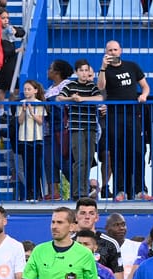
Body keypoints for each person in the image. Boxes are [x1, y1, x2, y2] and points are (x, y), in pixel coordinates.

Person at [98, 40, 151, 200]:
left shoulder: (132, 66)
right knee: (117, 153)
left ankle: (140, 189)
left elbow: (145, 86)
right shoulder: (105, 70)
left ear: (120, 50)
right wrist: (102, 67)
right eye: (110, 50)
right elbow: (101, 87)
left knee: (137, 151)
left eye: (115, 49)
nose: (113, 52)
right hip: (114, 116)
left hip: (132, 116)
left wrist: (143, 96)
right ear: (106, 52)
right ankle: (120, 190)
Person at [56, 59, 102, 201]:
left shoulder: (92, 86)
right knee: (79, 159)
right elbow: (59, 98)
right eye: (81, 70)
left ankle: (85, 190)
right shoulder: (71, 85)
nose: (84, 73)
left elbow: (100, 97)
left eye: (86, 70)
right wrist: (72, 98)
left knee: (88, 159)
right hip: (76, 127)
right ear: (76, 72)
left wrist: (82, 99)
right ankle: (78, 192)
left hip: (91, 127)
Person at [15, 80, 47, 200]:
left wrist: (32, 112)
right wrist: (23, 111)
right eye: (25, 89)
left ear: (35, 91)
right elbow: (20, 121)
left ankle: (37, 193)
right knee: (27, 166)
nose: (26, 91)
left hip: (37, 138)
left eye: (29, 89)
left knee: (37, 167)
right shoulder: (20, 103)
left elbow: (40, 121)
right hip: (24, 138)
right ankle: (28, 193)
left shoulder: (39, 103)